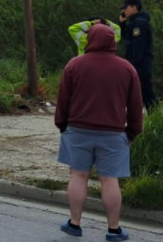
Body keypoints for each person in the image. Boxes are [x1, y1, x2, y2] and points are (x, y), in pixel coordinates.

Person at [54, 24, 143, 241]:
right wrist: (132, 132)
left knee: (78, 175)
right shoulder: (126, 68)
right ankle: (113, 229)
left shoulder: (74, 65)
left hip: (77, 130)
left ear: (89, 40)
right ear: (113, 42)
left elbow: (63, 99)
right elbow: (135, 105)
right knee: (109, 180)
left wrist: (62, 125)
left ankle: (75, 224)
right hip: (113, 133)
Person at [119, 0, 156, 111]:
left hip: (140, 63)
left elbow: (138, 45)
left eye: (126, 8)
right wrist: (122, 24)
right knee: (136, 91)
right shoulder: (134, 22)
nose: (124, 10)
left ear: (134, 7)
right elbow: (126, 38)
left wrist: (132, 63)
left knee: (145, 90)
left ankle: (155, 114)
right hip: (137, 61)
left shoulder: (139, 23)